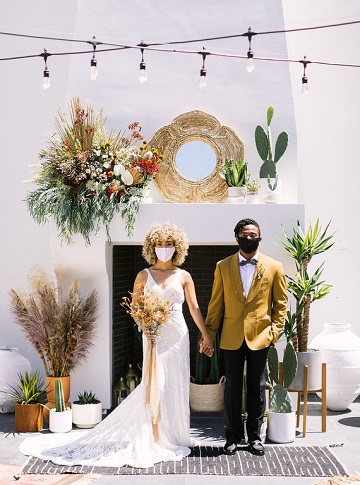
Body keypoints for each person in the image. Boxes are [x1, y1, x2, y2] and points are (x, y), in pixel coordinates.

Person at [19, 222, 213, 468]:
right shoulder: (144, 275)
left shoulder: (184, 276)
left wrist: (205, 336)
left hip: (177, 337)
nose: (164, 248)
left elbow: (194, 308)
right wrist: (146, 327)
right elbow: (135, 309)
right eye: (160, 243)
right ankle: (153, 437)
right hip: (153, 337)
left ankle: (174, 436)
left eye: (169, 243)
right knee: (155, 385)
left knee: (176, 385)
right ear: (152, 246)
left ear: (177, 247)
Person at [202, 218, 287, 456]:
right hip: (231, 337)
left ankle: (255, 437)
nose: (249, 238)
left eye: (253, 234)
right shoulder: (223, 266)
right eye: (245, 234)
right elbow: (216, 304)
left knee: (256, 388)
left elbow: (281, 305)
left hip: (260, 337)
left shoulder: (274, 267)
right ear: (237, 236)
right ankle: (232, 436)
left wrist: (273, 333)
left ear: (260, 238)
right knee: (232, 387)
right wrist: (209, 335)